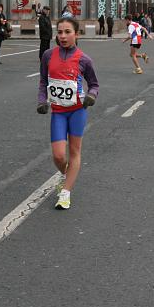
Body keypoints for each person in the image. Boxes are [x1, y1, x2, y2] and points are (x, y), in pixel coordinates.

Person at [37, 17, 99, 210]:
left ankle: (65, 193)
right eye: (60, 32)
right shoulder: (48, 55)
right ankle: (67, 174)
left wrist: (91, 96)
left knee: (74, 152)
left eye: (67, 32)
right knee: (58, 155)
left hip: (77, 111)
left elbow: (94, 84)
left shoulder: (84, 59)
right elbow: (43, 81)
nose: (62, 36)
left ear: (76, 34)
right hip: (58, 112)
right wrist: (41, 101)